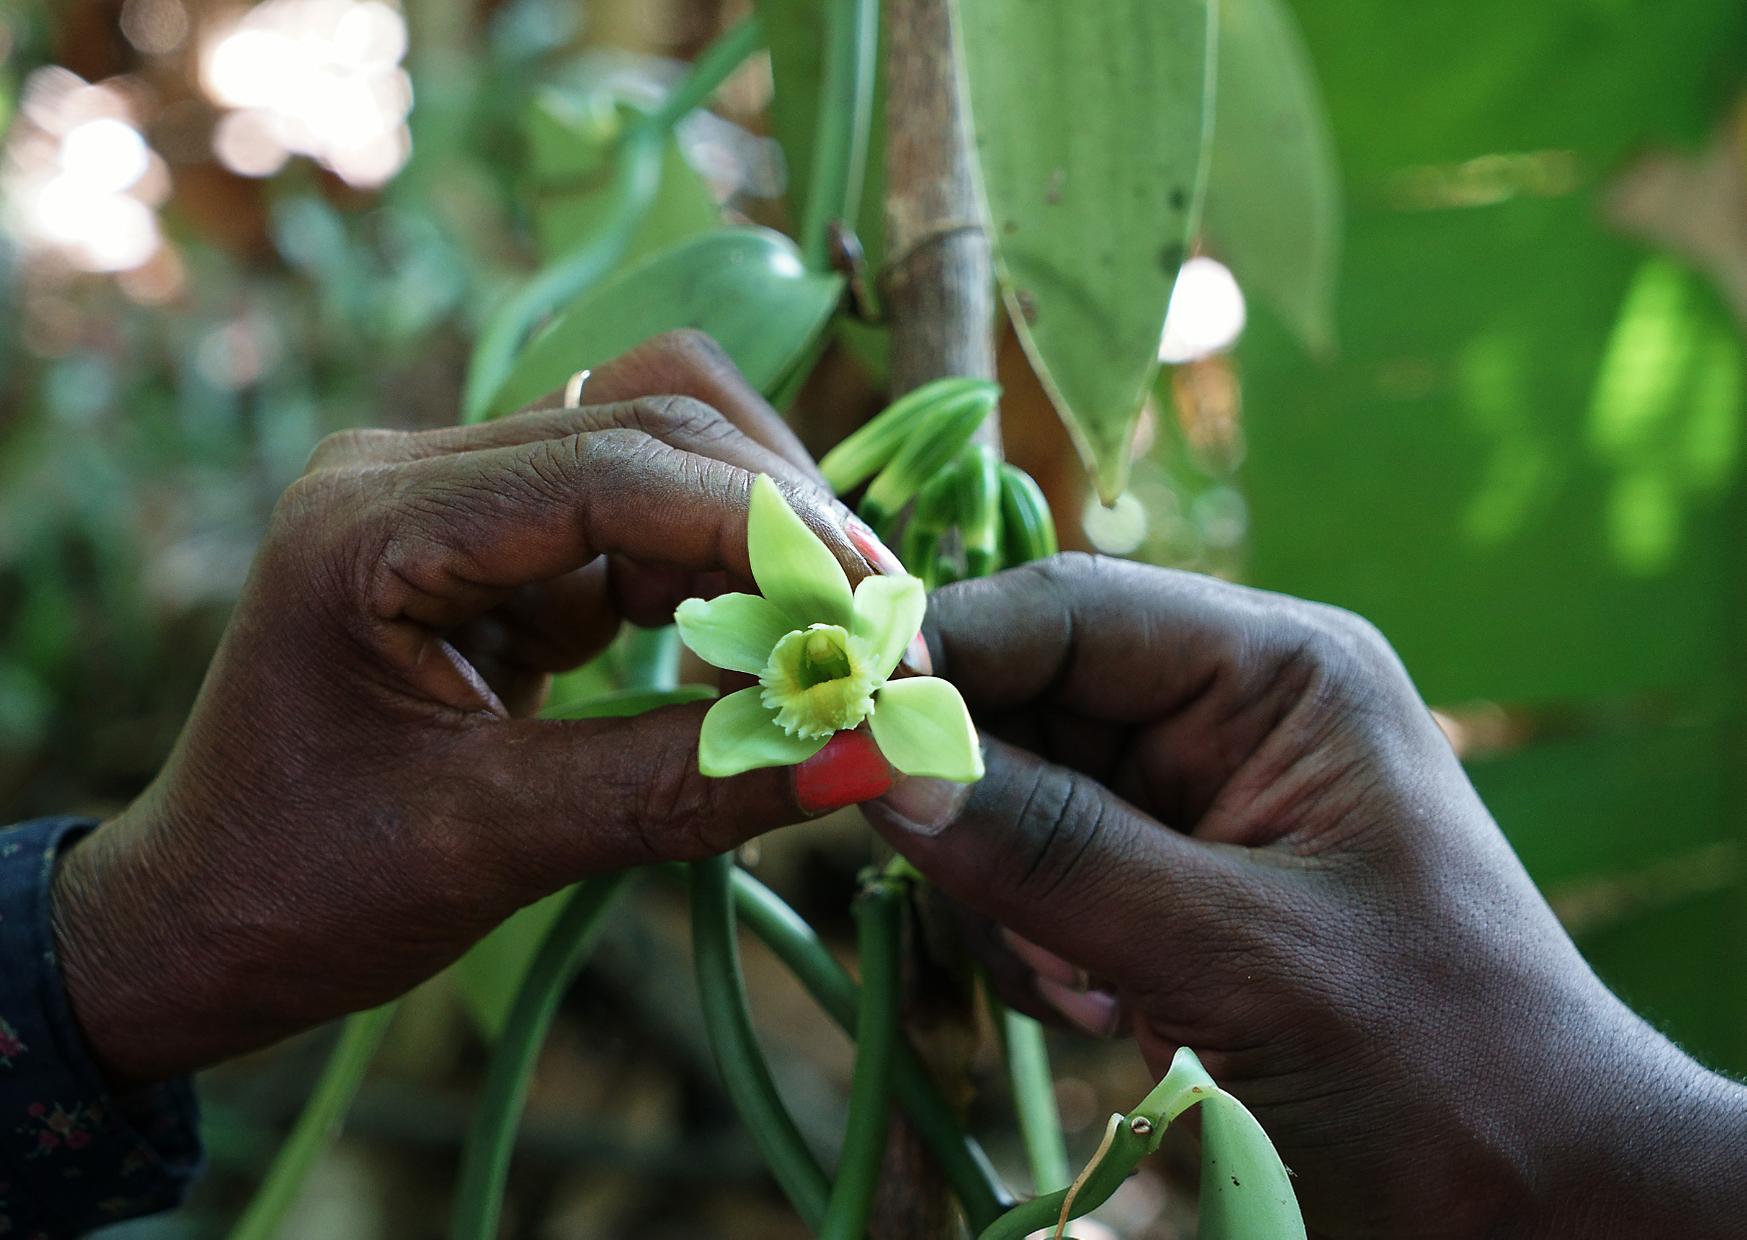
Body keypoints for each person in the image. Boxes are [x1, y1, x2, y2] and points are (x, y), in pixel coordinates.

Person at [2, 332, 1741, 1236]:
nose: (820, 680)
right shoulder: (814, 680)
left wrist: (1581, 1162)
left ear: (849, 633)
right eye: (812, 666)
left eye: (832, 663)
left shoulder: (865, 702)